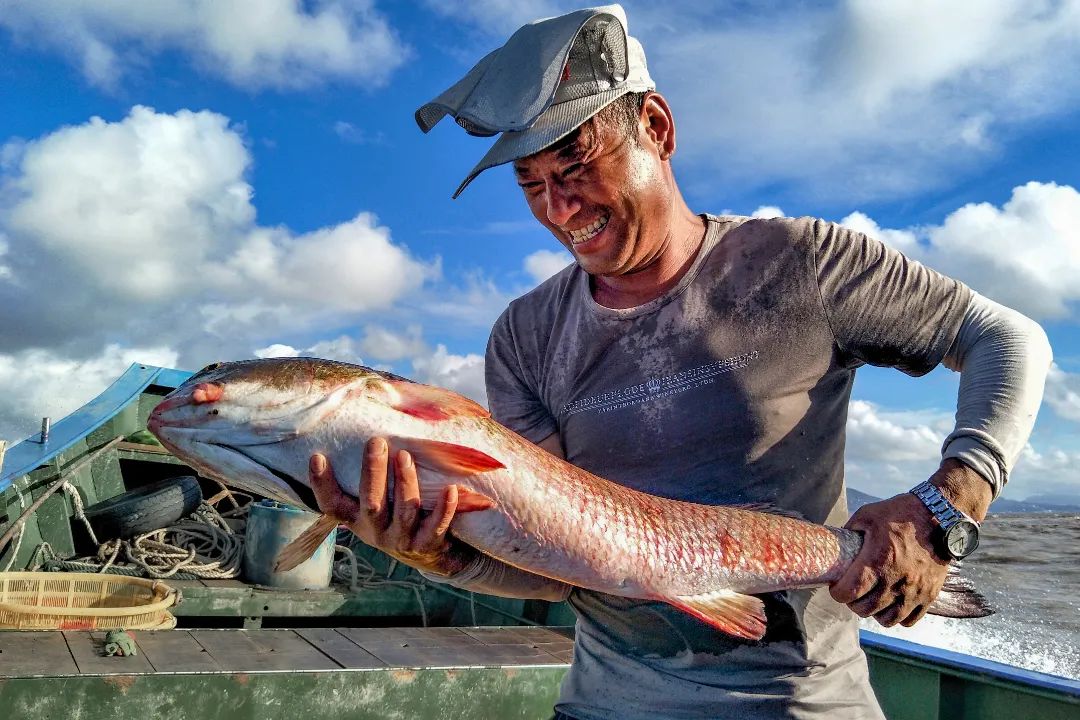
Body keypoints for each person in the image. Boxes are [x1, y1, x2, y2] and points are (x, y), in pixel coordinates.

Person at [307, 5, 1053, 719]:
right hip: (606, 703)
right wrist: (436, 553)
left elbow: (1007, 338)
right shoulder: (525, 335)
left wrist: (946, 506)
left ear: (656, 127)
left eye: (574, 164)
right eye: (531, 185)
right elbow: (549, 562)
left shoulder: (804, 263)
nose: (559, 209)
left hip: (800, 704)